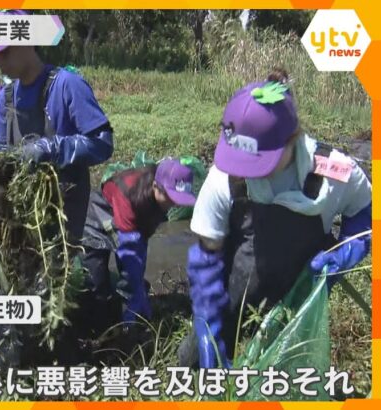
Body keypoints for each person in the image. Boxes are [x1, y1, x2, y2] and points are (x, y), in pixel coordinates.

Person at [179, 70, 372, 369]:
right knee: (189, 361)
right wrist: (208, 329)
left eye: (257, 161)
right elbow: (207, 259)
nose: (245, 171)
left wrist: (346, 253)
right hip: (233, 301)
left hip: (296, 307)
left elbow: (365, 212)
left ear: (292, 139)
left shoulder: (333, 174)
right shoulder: (223, 179)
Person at [0, 9, 114, 244]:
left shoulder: (67, 85)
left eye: (5, 51)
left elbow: (103, 143)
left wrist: (51, 148)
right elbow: (2, 153)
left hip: (64, 211)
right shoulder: (4, 98)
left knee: (58, 274)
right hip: (20, 212)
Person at [77, 158, 198, 343]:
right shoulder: (131, 195)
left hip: (129, 225)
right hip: (97, 215)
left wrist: (137, 290)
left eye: (179, 199)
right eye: (171, 198)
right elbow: (130, 252)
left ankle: (127, 321)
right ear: (156, 186)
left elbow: (140, 245)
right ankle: (95, 336)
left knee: (133, 279)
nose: (175, 204)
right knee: (96, 283)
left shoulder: (158, 200)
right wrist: (136, 290)